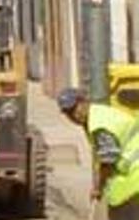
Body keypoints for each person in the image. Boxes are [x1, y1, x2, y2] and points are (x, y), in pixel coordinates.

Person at [57, 88, 139, 219]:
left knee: (123, 209)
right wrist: (97, 185)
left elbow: (107, 161)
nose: (73, 115)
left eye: (74, 109)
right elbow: (100, 158)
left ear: (83, 101)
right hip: (130, 172)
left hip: (135, 174)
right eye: (68, 113)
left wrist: (98, 188)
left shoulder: (99, 125)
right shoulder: (96, 115)